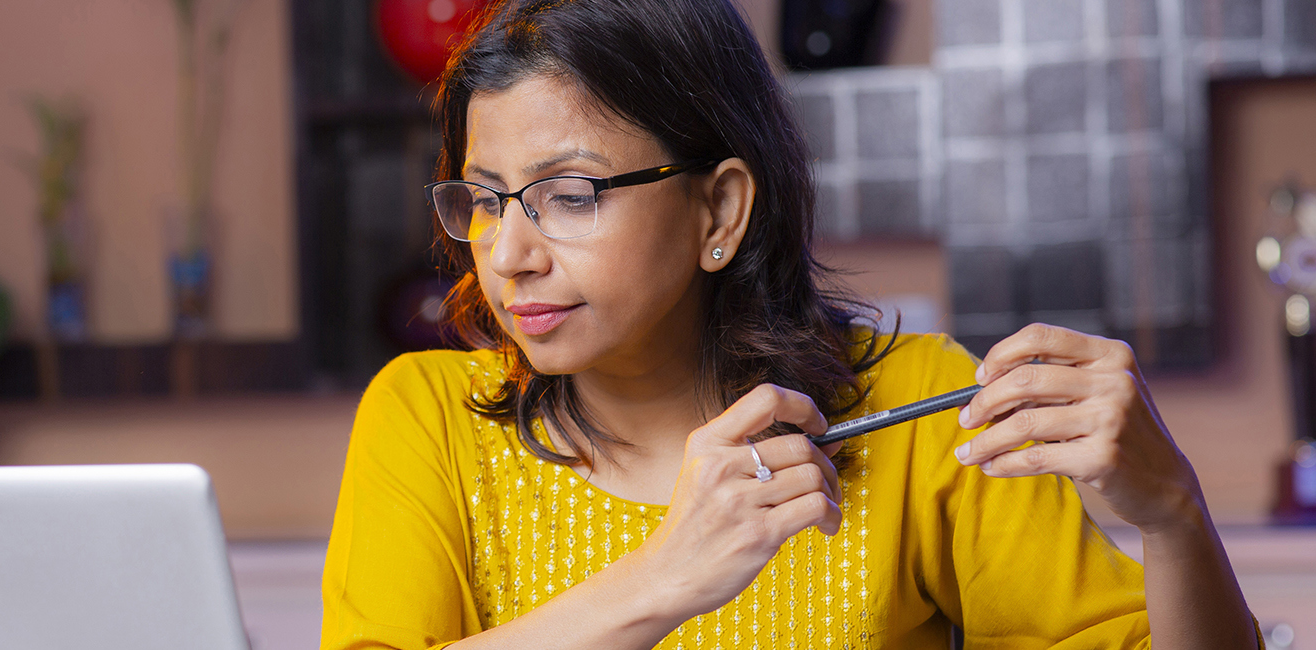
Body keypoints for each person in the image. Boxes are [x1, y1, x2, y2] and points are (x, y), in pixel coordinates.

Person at [318, 0, 1259, 648]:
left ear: (720, 211)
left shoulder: (922, 407)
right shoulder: (427, 416)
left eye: (569, 195)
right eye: (485, 200)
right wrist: (666, 576)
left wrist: (1173, 515)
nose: (509, 253)